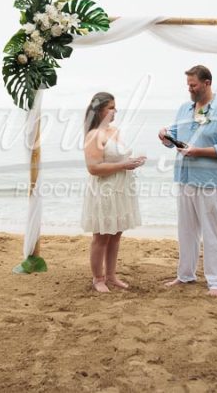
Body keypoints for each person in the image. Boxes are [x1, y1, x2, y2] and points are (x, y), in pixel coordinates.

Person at [158, 65, 217, 297]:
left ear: (207, 83)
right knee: (186, 230)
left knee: (213, 232)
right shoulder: (184, 109)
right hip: (184, 178)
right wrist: (165, 135)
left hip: (211, 181)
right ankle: (185, 275)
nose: (190, 89)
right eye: (188, 85)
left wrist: (200, 151)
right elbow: (174, 136)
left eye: (193, 85)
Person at [82, 92, 146, 293]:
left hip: (120, 189)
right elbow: (93, 168)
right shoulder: (94, 135)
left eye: (115, 107)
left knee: (116, 233)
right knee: (101, 236)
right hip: (104, 191)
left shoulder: (114, 131)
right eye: (111, 107)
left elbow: (117, 157)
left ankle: (111, 275)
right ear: (100, 110)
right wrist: (124, 165)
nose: (114, 111)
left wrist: (133, 161)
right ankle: (98, 278)